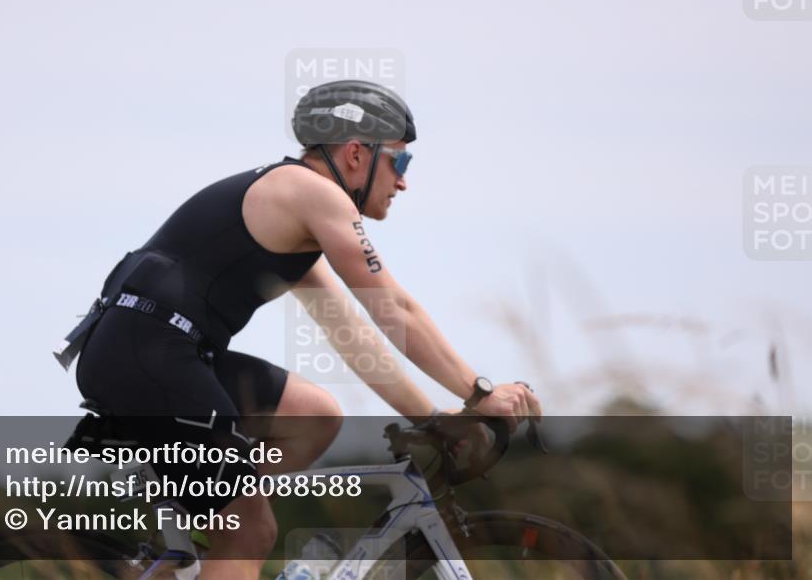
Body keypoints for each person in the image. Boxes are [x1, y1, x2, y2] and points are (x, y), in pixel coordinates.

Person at [60, 80, 542, 580]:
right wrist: (478, 391)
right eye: (400, 162)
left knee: (314, 415)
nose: (403, 183)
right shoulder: (311, 193)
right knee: (252, 530)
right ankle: (232, 536)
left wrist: (432, 418)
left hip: (152, 354)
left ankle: (195, 560)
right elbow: (394, 308)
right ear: (357, 153)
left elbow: (353, 335)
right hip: (148, 356)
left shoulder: (293, 216)